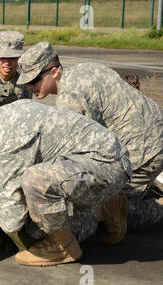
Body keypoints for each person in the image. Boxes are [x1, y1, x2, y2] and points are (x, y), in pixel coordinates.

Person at [16, 41, 163, 238]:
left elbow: (73, 153)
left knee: (115, 211)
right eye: (27, 81)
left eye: (34, 80)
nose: (29, 86)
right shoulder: (85, 69)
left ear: (54, 72)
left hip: (143, 150)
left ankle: (159, 207)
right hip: (152, 131)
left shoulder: (71, 96)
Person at [0, 99, 131, 266]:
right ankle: (106, 206)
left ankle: (63, 247)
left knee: (36, 194)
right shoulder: (7, 112)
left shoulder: (0, 145)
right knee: (46, 204)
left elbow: (12, 221)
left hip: (105, 167)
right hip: (108, 157)